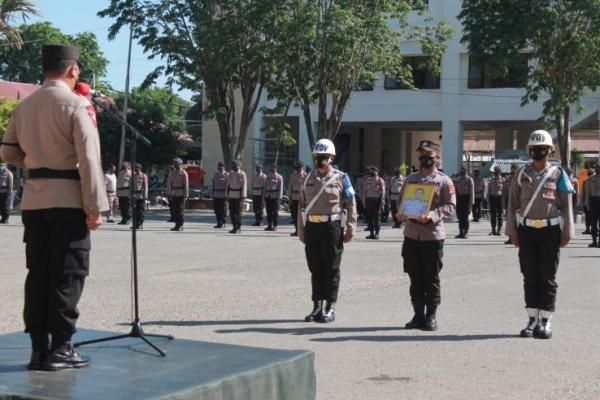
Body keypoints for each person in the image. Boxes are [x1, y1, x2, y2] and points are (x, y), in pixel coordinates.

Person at [0, 44, 108, 370]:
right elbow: (89, 159)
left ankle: (38, 349)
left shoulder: (25, 106)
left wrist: (35, 162)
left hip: (34, 200)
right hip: (67, 201)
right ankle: (61, 347)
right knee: (68, 274)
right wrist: (94, 205)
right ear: (73, 70)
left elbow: (7, 154)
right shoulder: (78, 105)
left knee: (39, 274)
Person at [506, 130, 574, 339]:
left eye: (542, 149)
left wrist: (568, 231)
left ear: (550, 150)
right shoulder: (521, 174)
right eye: (534, 149)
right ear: (529, 150)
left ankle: (545, 320)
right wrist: (512, 232)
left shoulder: (558, 174)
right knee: (529, 276)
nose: (538, 152)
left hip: (550, 231)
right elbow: (512, 205)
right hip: (527, 231)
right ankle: (532, 318)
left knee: (547, 277)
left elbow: (566, 205)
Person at [397, 140, 456, 331]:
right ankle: (417, 315)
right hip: (412, 235)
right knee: (414, 276)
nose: (424, 158)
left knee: (431, 277)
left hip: (432, 236)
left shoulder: (444, 181)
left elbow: (450, 206)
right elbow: (401, 201)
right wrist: (400, 213)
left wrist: (431, 216)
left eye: (428, 155)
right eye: (421, 155)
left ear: (436, 157)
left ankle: (431, 316)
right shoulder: (411, 179)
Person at [298, 139, 356, 323]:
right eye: (317, 157)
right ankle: (317, 306)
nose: (320, 160)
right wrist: (301, 230)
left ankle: (330, 307)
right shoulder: (307, 178)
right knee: (315, 267)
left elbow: (350, 204)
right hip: (312, 227)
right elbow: (301, 206)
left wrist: (351, 228)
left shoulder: (341, 177)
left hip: (332, 227)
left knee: (331, 268)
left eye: (323, 157)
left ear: (331, 158)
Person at [362, 166, 385, 240]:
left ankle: (377, 234)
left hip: (377, 201)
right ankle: (371, 234)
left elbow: (383, 191)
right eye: (370, 171)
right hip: (368, 200)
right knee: (369, 218)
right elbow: (365, 191)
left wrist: (382, 201)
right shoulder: (367, 180)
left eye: (373, 171)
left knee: (376, 217)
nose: (371, 172)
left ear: (377, 171)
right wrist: (364, 201)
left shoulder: (380, 180)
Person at [167, 158, 189, 232]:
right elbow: (169, 184)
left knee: (180, 210)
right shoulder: (172, 173)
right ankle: (176, 225)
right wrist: (169, 193)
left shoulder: (184, 173)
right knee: (174, 210)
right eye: (175, 164)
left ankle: (181, 225)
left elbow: (186, 185)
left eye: (177, 164)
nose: (175, 165)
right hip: (174, 193)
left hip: (181, 193)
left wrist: (186, 196)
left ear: (180, 164)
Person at [453, 166, 475, 239]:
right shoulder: (457, 180)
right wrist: (454, 201)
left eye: (464, 169)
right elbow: (455, 191)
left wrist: (471, 203)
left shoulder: (469, 180)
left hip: (466, 199)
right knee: (460, 216)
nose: (463, 171)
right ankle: (461, 232)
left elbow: (472, 192)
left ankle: (466, 232)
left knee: (465, 217)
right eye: (462, 169)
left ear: (467, 170)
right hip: (459, 199)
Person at [227, 160, 247, 234]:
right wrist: (227, 195)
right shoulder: (231, 173)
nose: (233, 166)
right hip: (232, 195)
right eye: (232, 165)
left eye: (234, 165)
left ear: (238, 166)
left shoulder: (242, 174)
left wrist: (243, 197)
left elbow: (244, 186)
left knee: (238, 212)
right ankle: (234, 227)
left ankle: (238, 227)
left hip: (239, 196)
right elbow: (228, 185)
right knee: (232, 212)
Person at [288, 161, 307, 236]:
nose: (297, 168)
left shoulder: (306, 175)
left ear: (301, 167)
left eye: (298, 167)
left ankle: (304, 231)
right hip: (294, 198)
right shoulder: (293, 175)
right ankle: (297, 230)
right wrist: (290, 199)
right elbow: (290, 187)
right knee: (294, 215)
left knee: (303, 216)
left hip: (303, 199)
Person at [264, 164, 283, 231]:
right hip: (268, 196)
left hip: (275, 196)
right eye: (271, 168)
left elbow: (280, 188)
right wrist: (264, 196)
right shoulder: (268, 176)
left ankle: (275, 225)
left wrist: (279, 197)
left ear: (275, 168)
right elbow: (265, 187)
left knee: (275, 212)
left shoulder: (279, 177)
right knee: (268, 212)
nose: (271, 169)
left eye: (272, 168)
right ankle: (269, 225)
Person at [486, 166, 506, 236]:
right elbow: (488, 191)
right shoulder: (491, 180)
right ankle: (493, 230)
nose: (496, 171)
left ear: (500, 171)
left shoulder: (503, 180)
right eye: (495, 170)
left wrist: (504, 202)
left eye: (497, 170)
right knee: (493, 215)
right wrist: (488, 201)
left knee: (500, 216)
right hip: (492, 198)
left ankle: (499, 230)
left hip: (500, 199)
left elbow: (505, 192)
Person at [585, 165, 600, 248]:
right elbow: (587, 192)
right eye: (596, 168)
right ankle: (594, 241)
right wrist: (586, 203)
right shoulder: (590, 179)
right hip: (593, 201)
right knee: (593, 223)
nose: (598, 169)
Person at [211, 161, 229, 228]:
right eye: (218, 166)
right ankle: (219, 222)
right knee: (216, 209)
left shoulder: (227, 174)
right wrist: (211, 193)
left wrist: (227, 195)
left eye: (220, 166)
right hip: (216, 194)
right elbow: (213, 184)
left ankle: (223, 222)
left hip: (223, 194)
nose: (219, 167)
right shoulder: (215, 173)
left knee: (223, 210)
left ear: (223, 167)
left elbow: (228, 186)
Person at [131, 163, 148, 230]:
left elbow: (145, 186)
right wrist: (130, 195)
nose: (135, 169)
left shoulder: (144, 176)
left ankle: (140, 224)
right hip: (134, 195)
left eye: (136, 168)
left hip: (141, 195)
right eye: (135, 168)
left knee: (140, 211)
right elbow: (131, 186)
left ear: (139, 168)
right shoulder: (133, 176)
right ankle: (135, 224)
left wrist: (145, 196)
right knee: (134, 211)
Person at [582, 167, 594, 234]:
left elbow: (583, 193)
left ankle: (591, 229)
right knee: (589, 216)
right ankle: (588, 229)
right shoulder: (585, 181)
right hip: (589, 201)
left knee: (590, 216)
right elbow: (583, 192)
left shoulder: (586, 181)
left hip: (592, 201)